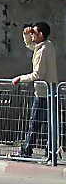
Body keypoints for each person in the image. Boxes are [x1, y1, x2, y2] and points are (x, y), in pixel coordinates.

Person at [12, 22, 59, 158]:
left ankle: (27, 150)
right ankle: (50, 151)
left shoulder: (42, 50)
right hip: (50, 91)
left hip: (43, 93)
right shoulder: (47, 45)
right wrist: (26, 34)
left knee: (35, 124)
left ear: (41, 35)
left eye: (34, 32)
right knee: (50, 124)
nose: (32, 34)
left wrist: (20, 78)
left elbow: (38, 74)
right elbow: (30, 45)